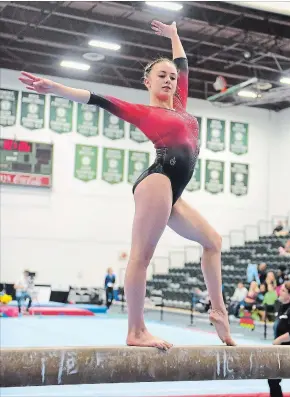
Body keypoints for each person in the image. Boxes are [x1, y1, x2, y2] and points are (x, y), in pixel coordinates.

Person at [18, 20, 234, 349]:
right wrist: (56, 88)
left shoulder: (180, 105)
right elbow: (95, 98)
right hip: (158, 181)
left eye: (172, 77)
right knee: (142, 257)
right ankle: (136, 330)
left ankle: (219, 311)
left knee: (213, 241)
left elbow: (183, 64)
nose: (169, 80)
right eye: (161, 76)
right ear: (147, 81)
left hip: (171, 191)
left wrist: (175, 35)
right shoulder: (144, 112)